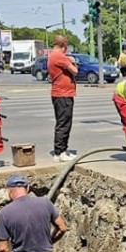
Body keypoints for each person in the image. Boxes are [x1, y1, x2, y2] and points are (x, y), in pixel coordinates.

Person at [0, 174, 68, 252]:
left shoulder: (5, 213)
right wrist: (49, 242)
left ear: (9, 191)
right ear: (28, 188)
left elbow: (3, 249)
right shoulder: (45, 203)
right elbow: (62, 228)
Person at [47, 35, 79, 163]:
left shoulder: (52, 55)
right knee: (64, 123)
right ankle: (59, 152)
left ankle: (63, 150)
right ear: (64, 45)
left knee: (64, 122)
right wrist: (72, 61)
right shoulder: (59, 56)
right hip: (63, 94)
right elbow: (75, 71)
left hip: (60, 93)